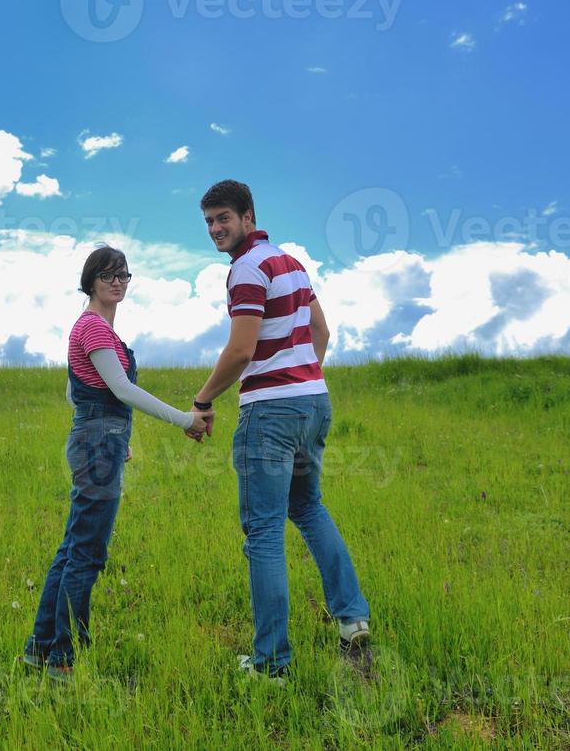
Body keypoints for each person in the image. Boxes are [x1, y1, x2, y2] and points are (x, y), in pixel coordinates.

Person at [192, 180, 371, 679]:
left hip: (269, 413)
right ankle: (353, 618)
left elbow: (242, 350)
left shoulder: (246, 270)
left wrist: (203, 400)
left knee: (264, 532)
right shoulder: (290, 263)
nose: (215, 229)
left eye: (223, 218)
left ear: (249, 216)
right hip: (313, 402)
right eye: (208, 221)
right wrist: (302, 375)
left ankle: (271, 664)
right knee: (309, 508)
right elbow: (321, 333)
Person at [23, 245, 212, 681]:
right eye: (108, 274)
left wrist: (111, 435)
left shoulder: (96, 329)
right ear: (90, 281)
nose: (118, 281)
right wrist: (185, 419)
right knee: (86, 553)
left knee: (72, 548)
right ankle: (64, 659)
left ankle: (40, 648)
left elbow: (77, 394)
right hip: (98, 440)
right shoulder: (93, 328)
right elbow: (123, 390)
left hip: (98, 438)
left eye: (124, 275)